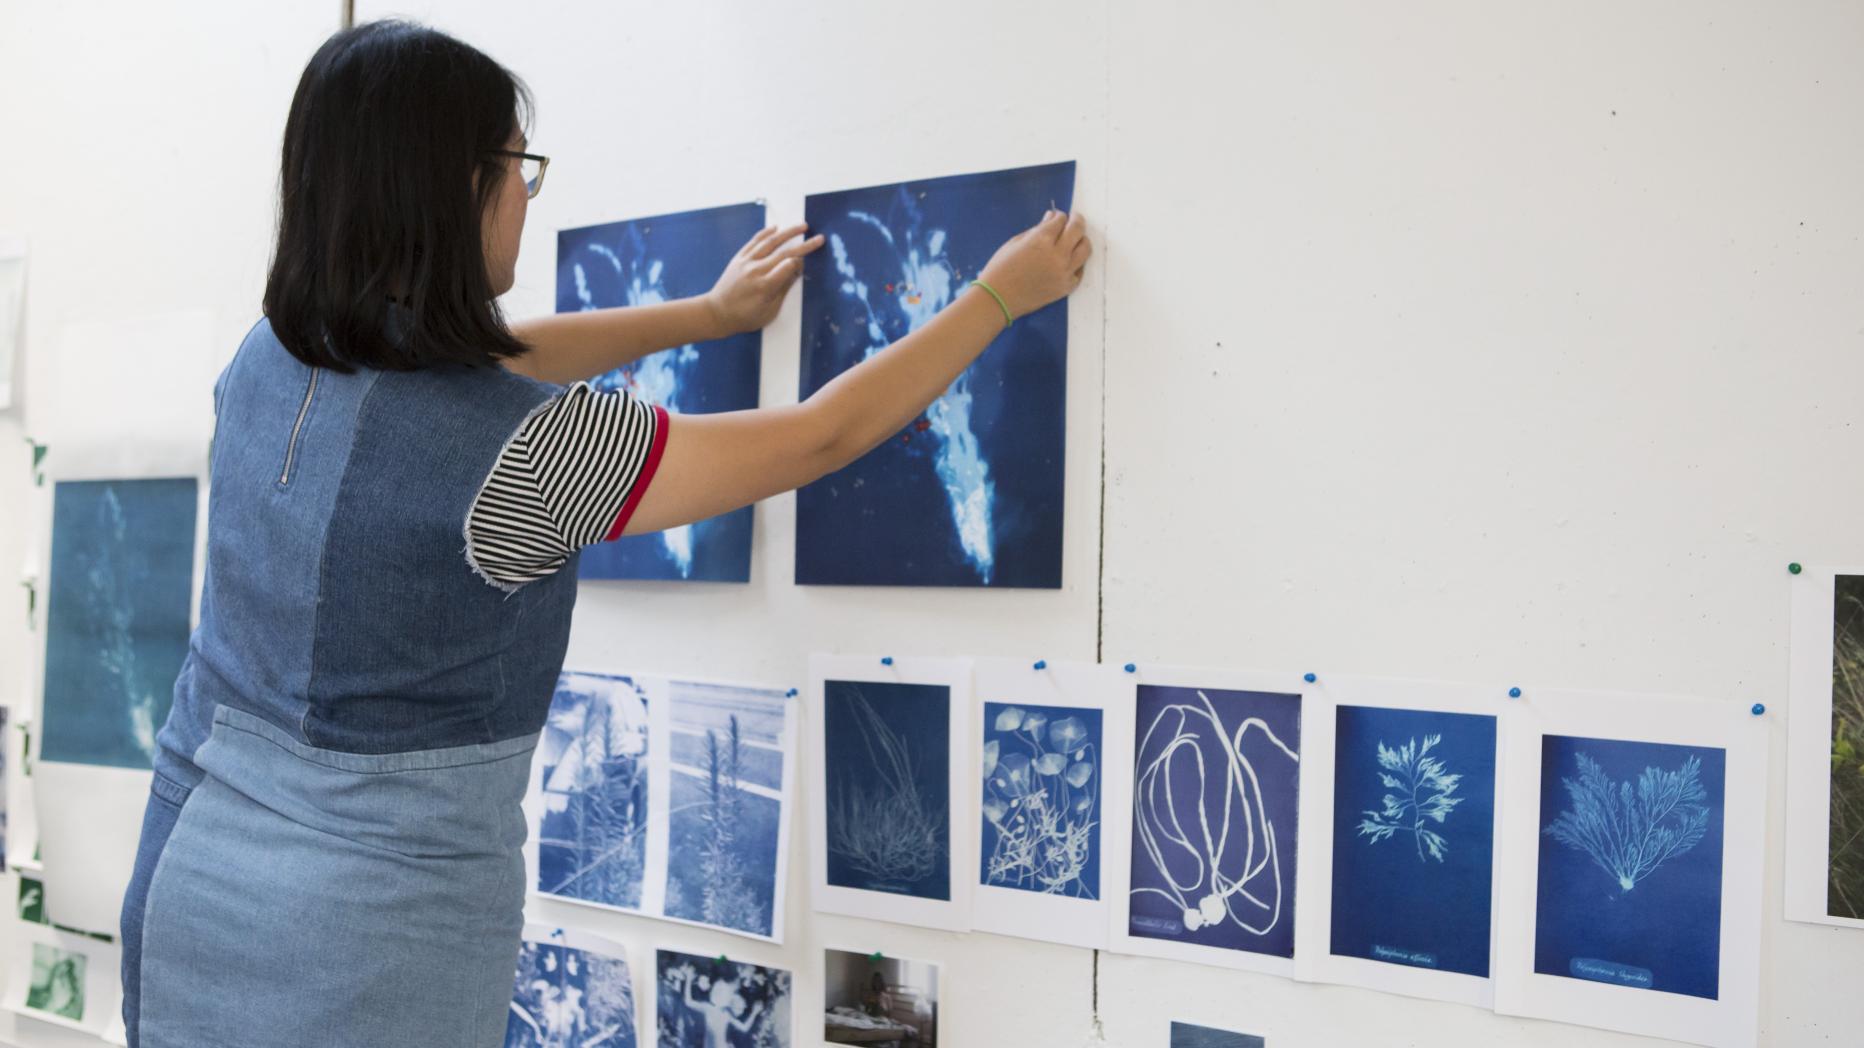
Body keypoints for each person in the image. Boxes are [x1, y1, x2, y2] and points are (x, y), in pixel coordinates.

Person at [116, 18, 1089, 1048]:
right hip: (369, 941)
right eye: (516, 169)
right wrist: (996, 296)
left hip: (191, 876)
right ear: (450, 189)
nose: (527, 196)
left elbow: (476, 358)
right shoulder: (530, 453)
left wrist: (706, 317)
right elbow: (816, 437)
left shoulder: (274, 357)